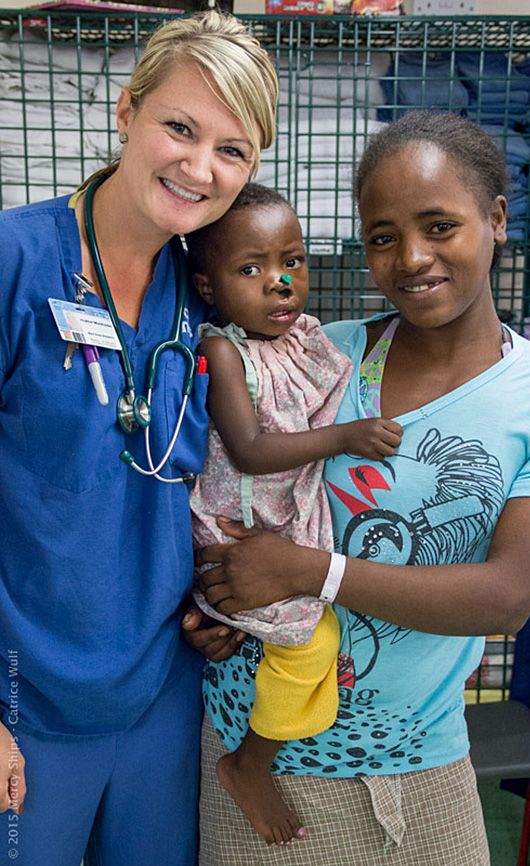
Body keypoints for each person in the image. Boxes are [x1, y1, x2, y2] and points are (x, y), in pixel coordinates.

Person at [187, 111, 530, 866]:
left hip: (425, 769)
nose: (411, 258)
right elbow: (224, 490)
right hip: (259, 766)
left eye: (439, 226)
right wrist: (211, 604)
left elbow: (506, 598)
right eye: (382, 237)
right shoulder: (315, 356)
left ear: (496, 220)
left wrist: (308, 573)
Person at [0, 11, 277, 866]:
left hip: (163, 683)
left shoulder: (205, 294)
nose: (199, 168)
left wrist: (226, 598)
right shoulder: (16, 260)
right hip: (27, 699)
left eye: (232, 150)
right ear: (126, 113)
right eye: (180, 128)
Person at [185, 182, 402, 847]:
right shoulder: (224, 351)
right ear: (208, 286)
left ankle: (268, 719)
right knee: (311, 645)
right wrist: (347, 436)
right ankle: (249, 764)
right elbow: (249, 451)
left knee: (312, 639)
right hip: (241, 528)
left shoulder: (303, 339)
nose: (280, 282)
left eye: (293, 261)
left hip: (284, 523)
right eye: (250, 269)